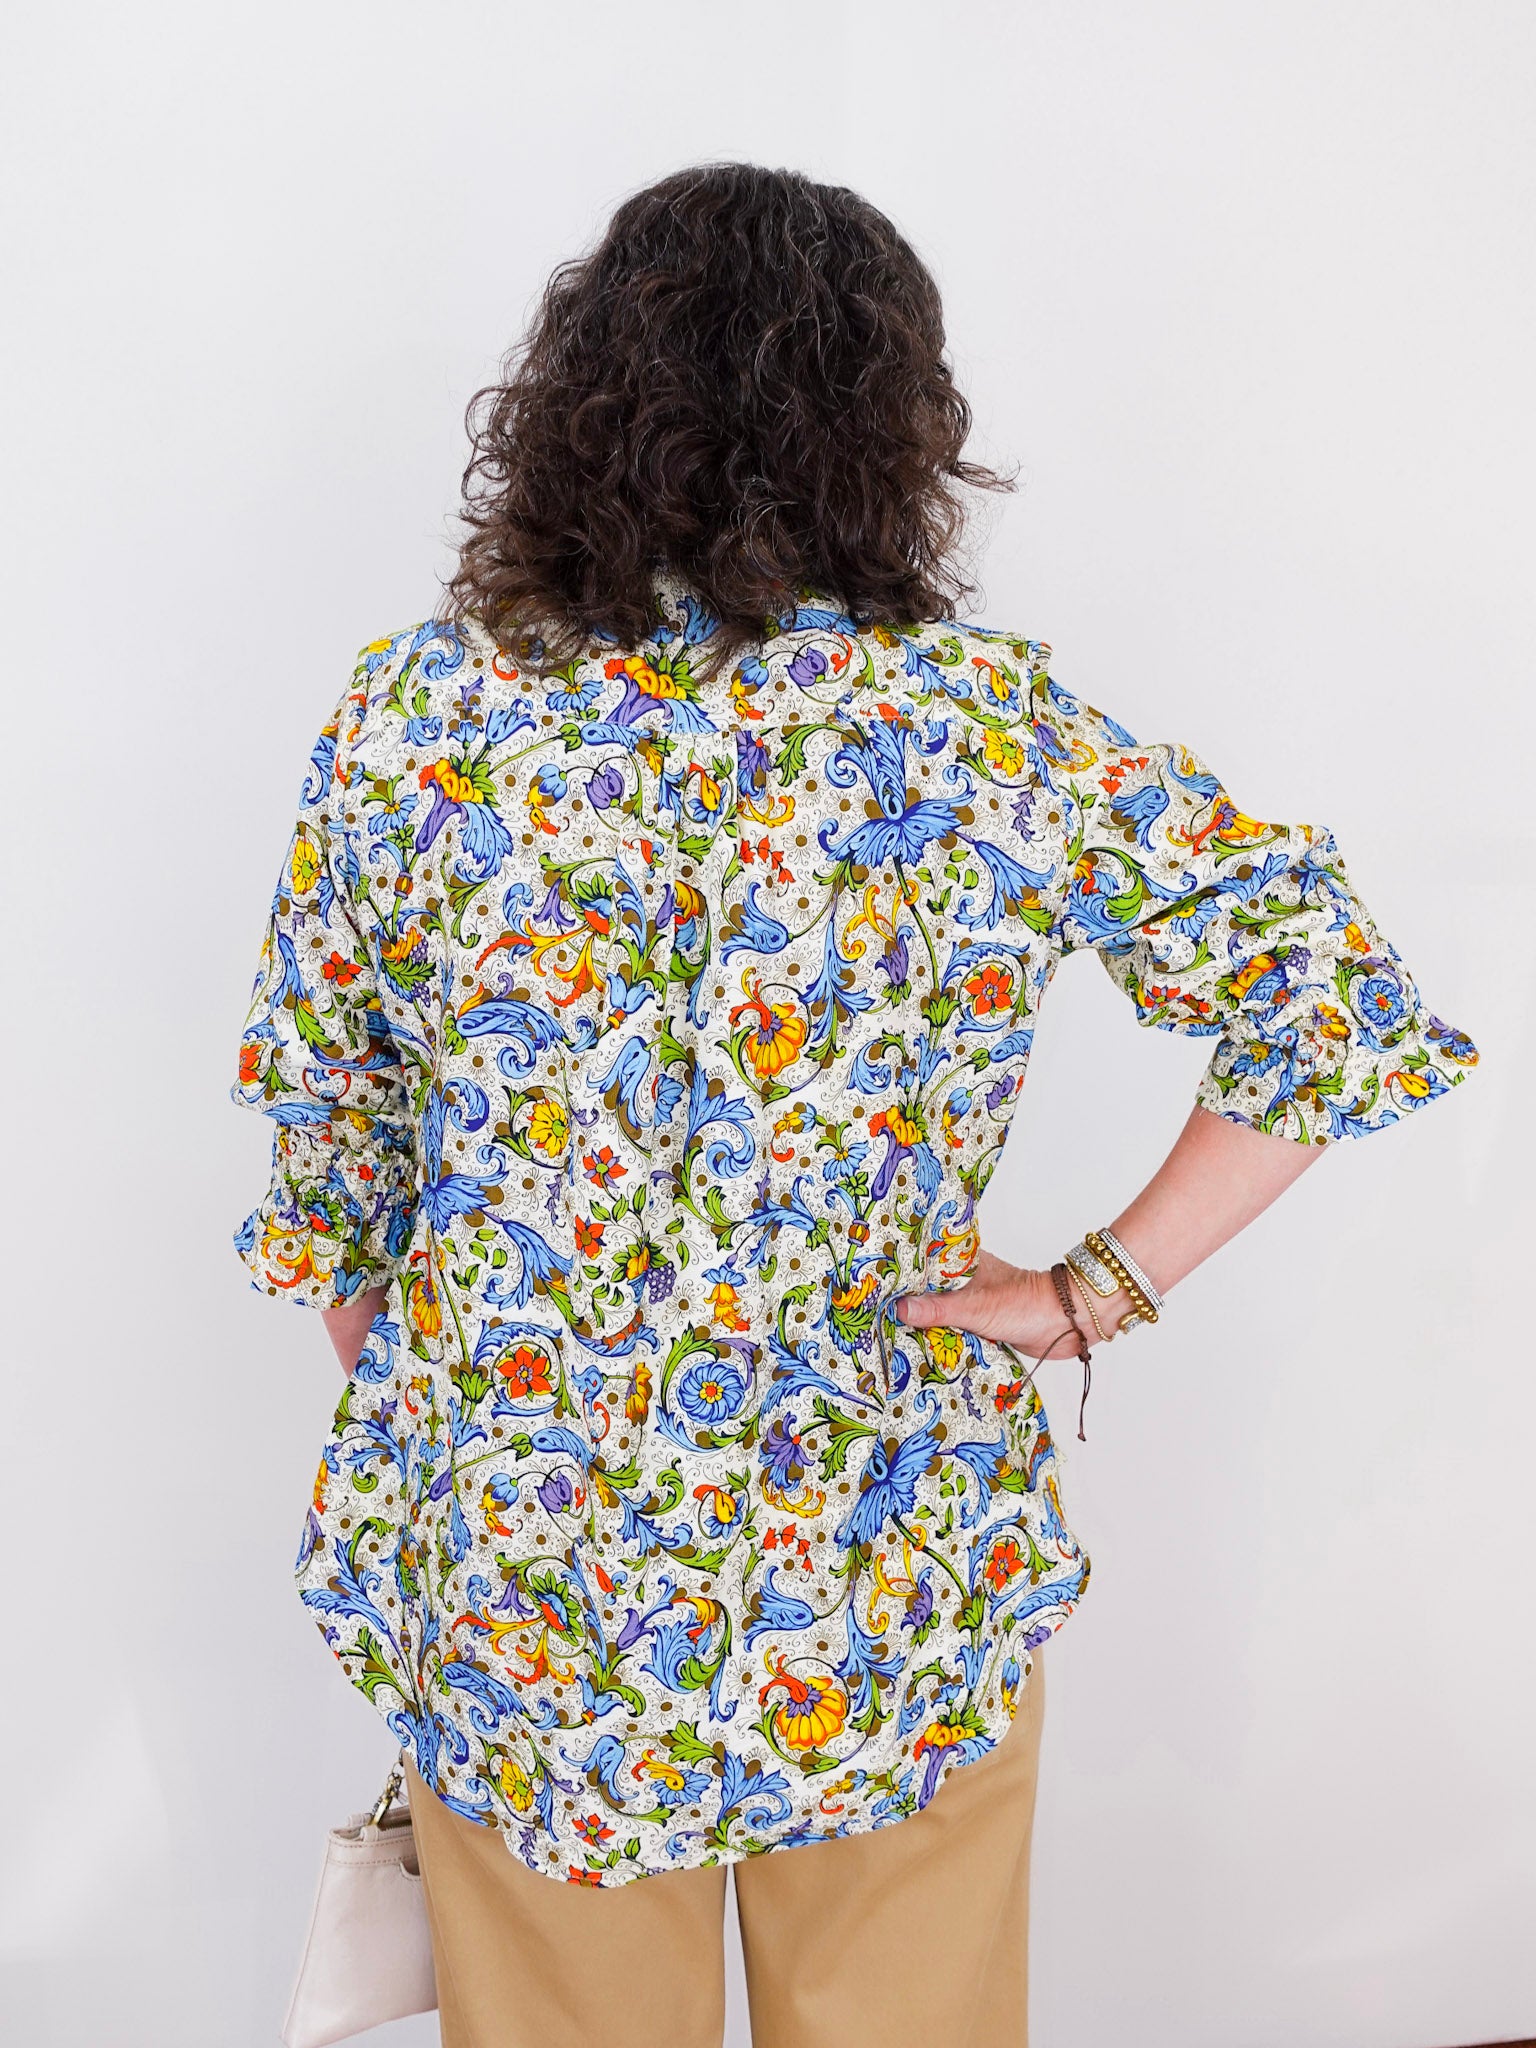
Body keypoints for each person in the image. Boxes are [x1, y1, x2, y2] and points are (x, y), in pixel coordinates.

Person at [229, 162, 1481, 2048]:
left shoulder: (416, 718)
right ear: (894, 427)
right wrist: (1094, 1293)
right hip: (883, 1540)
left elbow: (328, 1131)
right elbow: (1335, 1004)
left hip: (525, 1568)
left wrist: (475, 1387)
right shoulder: (977, 730)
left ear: (577, 401)